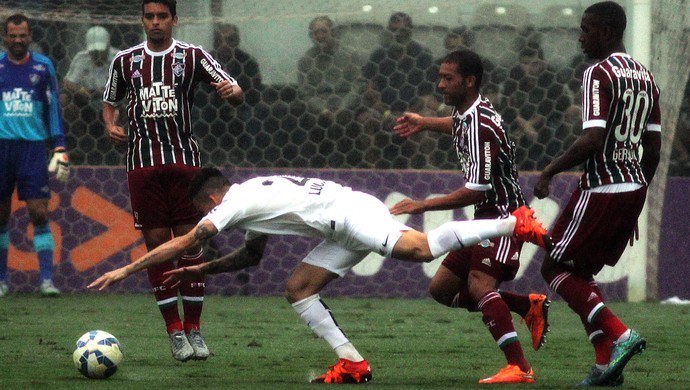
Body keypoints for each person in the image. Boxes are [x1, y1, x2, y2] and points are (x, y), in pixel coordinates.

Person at [88, 167, 550, 384]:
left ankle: (515, 223)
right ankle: (352, 362)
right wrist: (202, 268)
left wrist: (128, 268)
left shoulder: (232, 205)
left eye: (201, 213)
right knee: (298, 288)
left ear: (210, 202)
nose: (206, 219)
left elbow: (188, 238)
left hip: (348, 218)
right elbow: (250, 258)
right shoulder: (251, 193)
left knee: (422, 248)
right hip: (342, 219)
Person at [392, 50, 548, 384]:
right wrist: (424, 123)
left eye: (448, 78)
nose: (440, 84)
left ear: (470, 81)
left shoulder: (481, 125)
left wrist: (422, 205)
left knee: (479, 285)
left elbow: (476, 190)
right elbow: (457, 124)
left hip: (506, 218)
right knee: (442, 289)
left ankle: (519, 367)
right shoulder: (468, 112)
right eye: (440, 76)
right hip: (485, 216)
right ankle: (525, 306)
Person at [102, 0, 244, 362]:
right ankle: (174, 332)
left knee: (190, 243)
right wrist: (110, 124)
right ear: (142, 21)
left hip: (183, 164)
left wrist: (233, 93)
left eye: (162, 16)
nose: (155, 23)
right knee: (155, 246)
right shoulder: (125, 60)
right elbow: (110, 101)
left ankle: (194, 328)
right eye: (149, 17)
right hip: (142, 165)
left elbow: (232, 87)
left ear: (174, 20)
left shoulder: (192, 55)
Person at [533, 1, 661, 386]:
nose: (580, 36)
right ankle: (606, 365)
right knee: (581, 272)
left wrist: (550, 170)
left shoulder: (598, 73)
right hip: (632, 185)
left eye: (587, 29)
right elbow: (652, 150)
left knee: (554, 268)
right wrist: (637, 198)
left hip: (602, 184)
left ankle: (622, 336)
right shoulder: (645, 76)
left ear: (606, 32)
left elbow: (593, 137)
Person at [0, 14, 69, 298]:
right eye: (12, 35)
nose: (18, 40)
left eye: (23, 35)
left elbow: (53, 109)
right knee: (0, 215)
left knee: (39, 212)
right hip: (2, 146)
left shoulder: (43, 66)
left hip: (33, 148)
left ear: (30, 36)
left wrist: (60, 146)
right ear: (4, 36)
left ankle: (46, 281)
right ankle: (2, 281)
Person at [502, 44, 574, 170]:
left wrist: (528, 126)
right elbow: (507, 105)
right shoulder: (513, 76)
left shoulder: (552, 78)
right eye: (525, 63)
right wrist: (524, 125)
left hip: (546, 123)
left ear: (542, 63)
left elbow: (550, 108)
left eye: (534, 63)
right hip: (518, 122)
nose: (529, 68)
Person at [61, 26, 120, 165]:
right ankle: (82, 143)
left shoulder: (119, 58)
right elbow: (67, 83)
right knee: (64, 100)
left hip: (113, 103)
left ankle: (116, 145)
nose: (98, 55)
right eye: (94, 51)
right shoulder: (82, 58)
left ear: (108, 46)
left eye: (101, 51)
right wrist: (82, 90)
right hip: (87, 103)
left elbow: (130, 82)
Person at [362, 12, 434, 115]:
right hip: (383, 112)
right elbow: (370, 91)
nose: (399, 35)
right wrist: (387, 114)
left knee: (429, 116)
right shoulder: (378, 55)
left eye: (403, 30)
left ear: (411, 31)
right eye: (394, 30)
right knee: (366, 118)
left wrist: (406, 116)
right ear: (389, 31)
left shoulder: (424, 55)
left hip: (416, 110)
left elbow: (427, 95)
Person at [296, 15, 361, 118]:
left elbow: (357, 86)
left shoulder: (350, 55)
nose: (320, 36)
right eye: (316, 32)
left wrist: (343, 107)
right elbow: (306, 93)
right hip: (318, 111)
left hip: (348, 107)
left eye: (324, 31)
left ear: (333, 33)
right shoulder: (306, 60)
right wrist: (324, 110)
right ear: (311, 35)